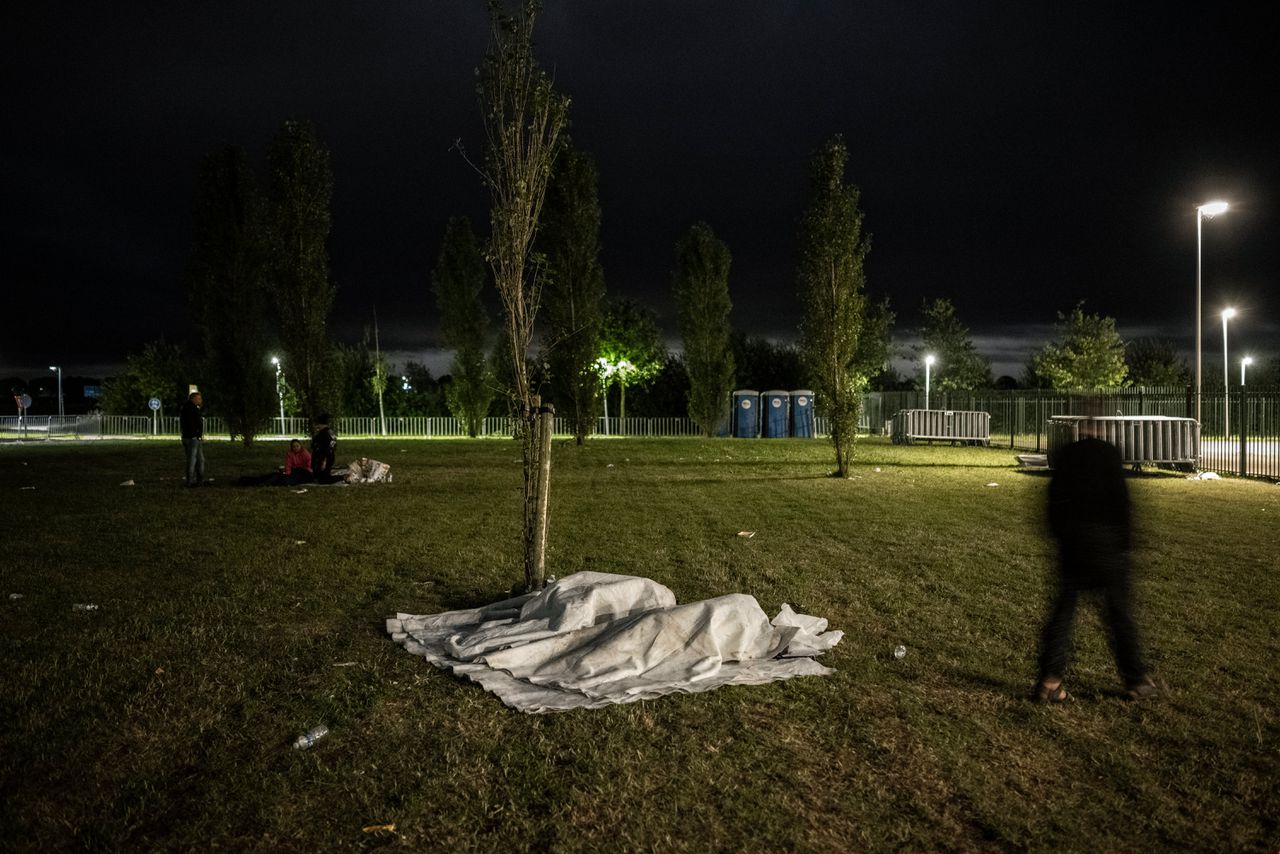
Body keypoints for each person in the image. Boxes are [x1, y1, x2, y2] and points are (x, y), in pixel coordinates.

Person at [1033, 420, 1161, 703]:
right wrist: (1126, 541)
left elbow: (1054, 498)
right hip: (1107, 545)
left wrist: (1058, 534)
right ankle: (1136, 680)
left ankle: (1050, 681)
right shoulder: (1109, 454)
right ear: (1102, 428)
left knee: (1063, 615)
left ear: (1080, 428)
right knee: (1119, 615)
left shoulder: (1067, 453)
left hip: (1073, 542)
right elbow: (1120, 500)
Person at [180, 391, 206, 487]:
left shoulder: (192, 408)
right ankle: (190, 481)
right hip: (192, 438)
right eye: (199, 398)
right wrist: (195, 435)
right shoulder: (190, 408)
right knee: (192, 460)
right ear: (193, 399)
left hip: (194, 438)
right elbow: (191, 423)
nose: (201, 400)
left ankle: (199, 480)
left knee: (200, 460)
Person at [311, 413, 337, 483]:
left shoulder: (323, 434)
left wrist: (324, 461)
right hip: (328, 457)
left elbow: (328, 448)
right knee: (319, 477)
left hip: (323, 458)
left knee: (323, 480)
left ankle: (342, 477)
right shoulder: (330, 432)